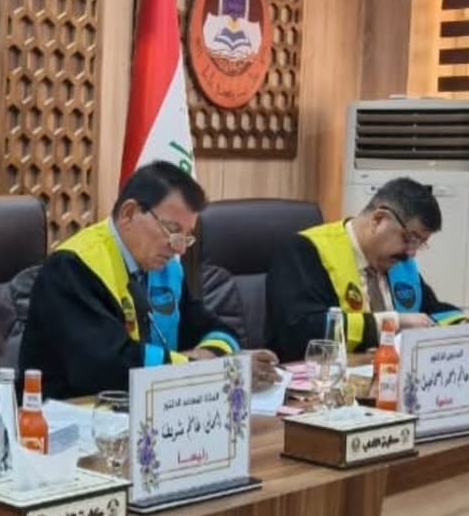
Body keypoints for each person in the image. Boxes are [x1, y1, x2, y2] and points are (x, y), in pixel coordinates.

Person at [18, 161, 279, 399]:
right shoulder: (73, 267)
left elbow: (217, 331)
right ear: (129, 213)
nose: (179, 247)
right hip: (66, 417)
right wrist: (212, 369)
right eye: (172, 230)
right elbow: (107, 367)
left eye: (186, 236)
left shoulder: (165, 268)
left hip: (148, 410)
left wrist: (213, 358)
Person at [265, 176, 467, 362]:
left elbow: (431, 311)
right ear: (378, 219)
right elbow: (300, 333)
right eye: (409, 238)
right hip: (325, 382)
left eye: (419, 243)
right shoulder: (305, 251)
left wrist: (463, 327)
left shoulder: (399, 262)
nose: (411, 253)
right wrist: (392, 323)